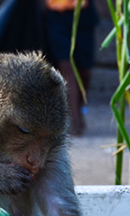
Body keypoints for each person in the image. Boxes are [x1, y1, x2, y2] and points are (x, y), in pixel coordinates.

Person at [42, 0, 99, 136]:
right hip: (55, 15)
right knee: (66, 65)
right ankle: (73, 119)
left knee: (84, 70)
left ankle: (77, 109)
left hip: (82, 15)